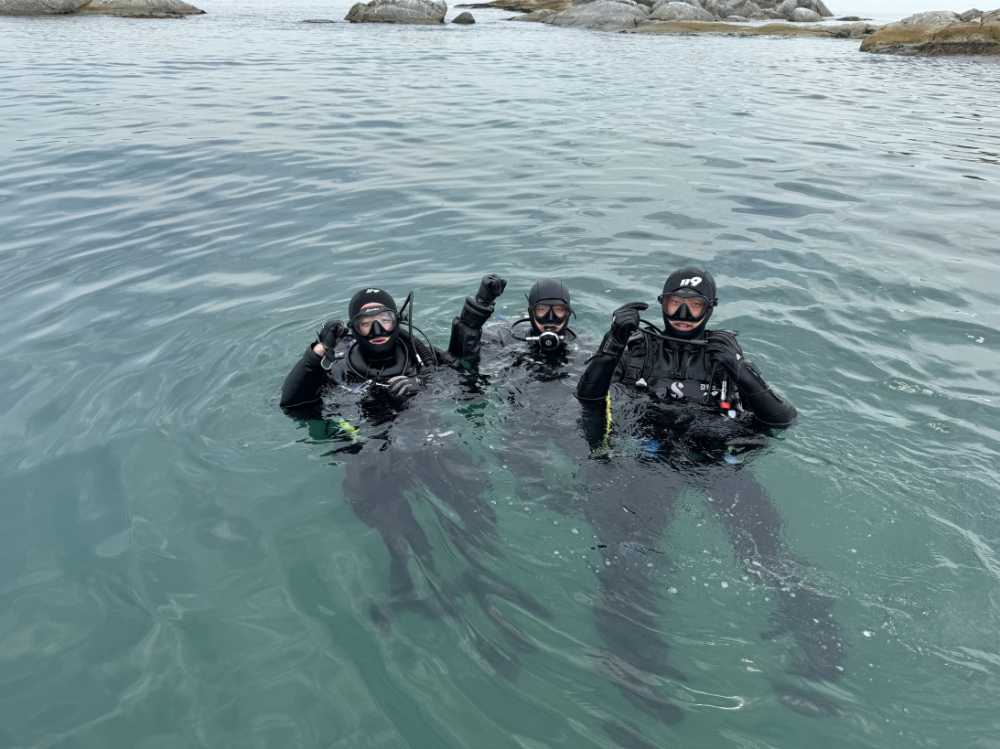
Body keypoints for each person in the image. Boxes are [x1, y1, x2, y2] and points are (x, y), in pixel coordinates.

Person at [571, 268, 842, 737]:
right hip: (654, 462)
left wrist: (739, 368)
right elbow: (588, 397)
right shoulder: (639, 349)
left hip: (719, 461)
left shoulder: (724, 356)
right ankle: (636, 665)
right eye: (673, 303)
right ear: (660, 304)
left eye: (693, 306)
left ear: (710, 310)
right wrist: (611, 344)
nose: (680, 314)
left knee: (766, 552)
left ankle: (816, 654)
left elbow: (783, 421)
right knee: (625, 551)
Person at [279, 285, 549, 678]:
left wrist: (423, 392)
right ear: (353, 329)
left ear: (398, 318)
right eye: (366, 323)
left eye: (384, 319)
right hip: (373, 448)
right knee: (392, 521)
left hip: (427, 440)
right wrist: (318, 351)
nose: (377, 330)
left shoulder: (419, 355)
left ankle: (486, 585)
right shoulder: (340, 368)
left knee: (469, 502)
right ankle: (406, 585)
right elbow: (293, 404)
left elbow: (466, 382)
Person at [448, 274, 579, 364]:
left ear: (569, 313)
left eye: (559, 310)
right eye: (542, 310)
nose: (550, 319)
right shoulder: (507, 336)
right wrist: (476, 311)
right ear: (531, 313)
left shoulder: (580, 343)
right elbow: (461, 362)